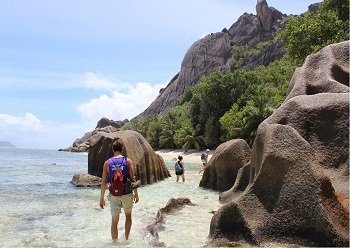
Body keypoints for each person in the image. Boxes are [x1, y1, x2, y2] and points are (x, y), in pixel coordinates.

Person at [100, 139, 139, 242]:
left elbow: (104, 181)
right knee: (128, 217)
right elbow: (132, 179)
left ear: (113, 149)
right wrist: (136, 194)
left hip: (113, 195)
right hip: (126, 194)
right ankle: (126, 240)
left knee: (114, 221)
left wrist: (102, 198)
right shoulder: (128, 161)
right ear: (122, 149)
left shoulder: (107, 163)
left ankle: (114, 243)